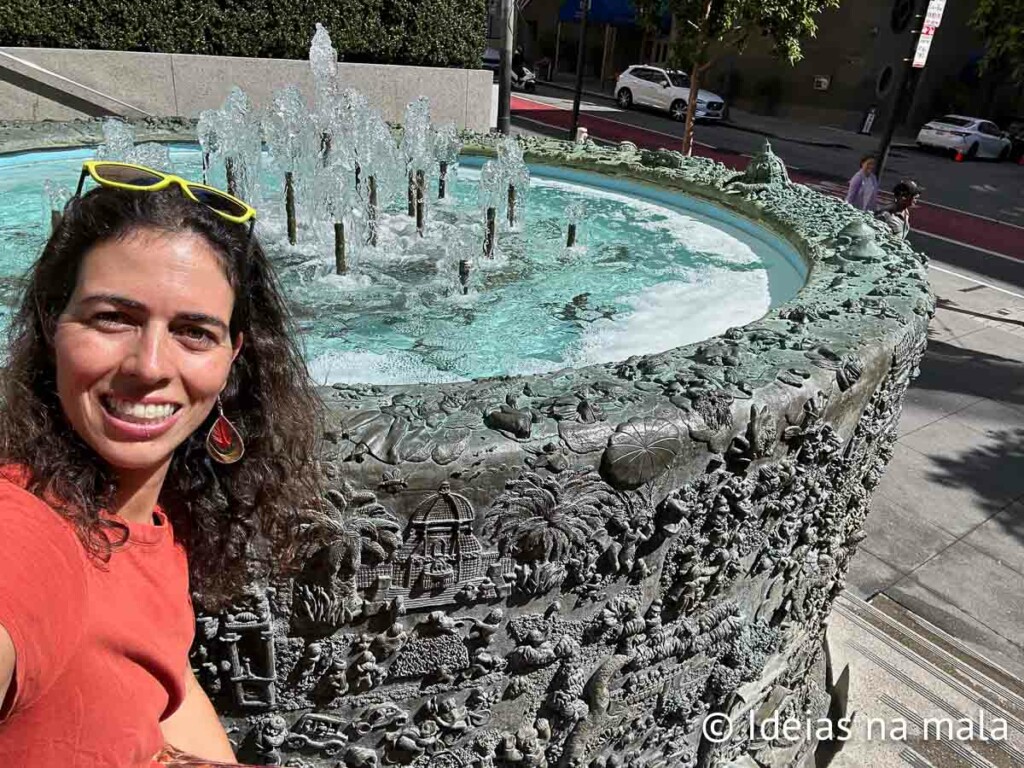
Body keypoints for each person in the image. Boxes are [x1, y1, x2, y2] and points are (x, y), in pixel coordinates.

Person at [0, 161, 325, 766]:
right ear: (52, 325)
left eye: (194, 332)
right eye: (112, 318)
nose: (149, 365)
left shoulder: (151, 514)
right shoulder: (29, 532)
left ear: (234, 357)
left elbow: (163, 682)